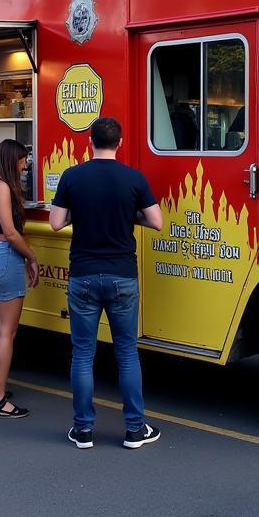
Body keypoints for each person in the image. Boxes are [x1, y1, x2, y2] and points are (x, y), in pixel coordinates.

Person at [49, 117, 163, 449]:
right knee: (127, 353)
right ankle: (134, 429)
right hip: (122, 275)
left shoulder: (72, 176)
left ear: (90, 141)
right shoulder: (133, 178)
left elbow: (56, 223)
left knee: (83, 353)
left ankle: (83, 429)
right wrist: (130, 215)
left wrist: (77, 213)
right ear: (121, 142)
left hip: (83, 274)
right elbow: (155, 221)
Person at [0, 139, 37, 418]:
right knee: (6, 333)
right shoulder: (2, 187)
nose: (25, 166)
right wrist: (31, 256)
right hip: (4, 256)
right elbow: (11, 232)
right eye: (23, 160)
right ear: (14, 159)